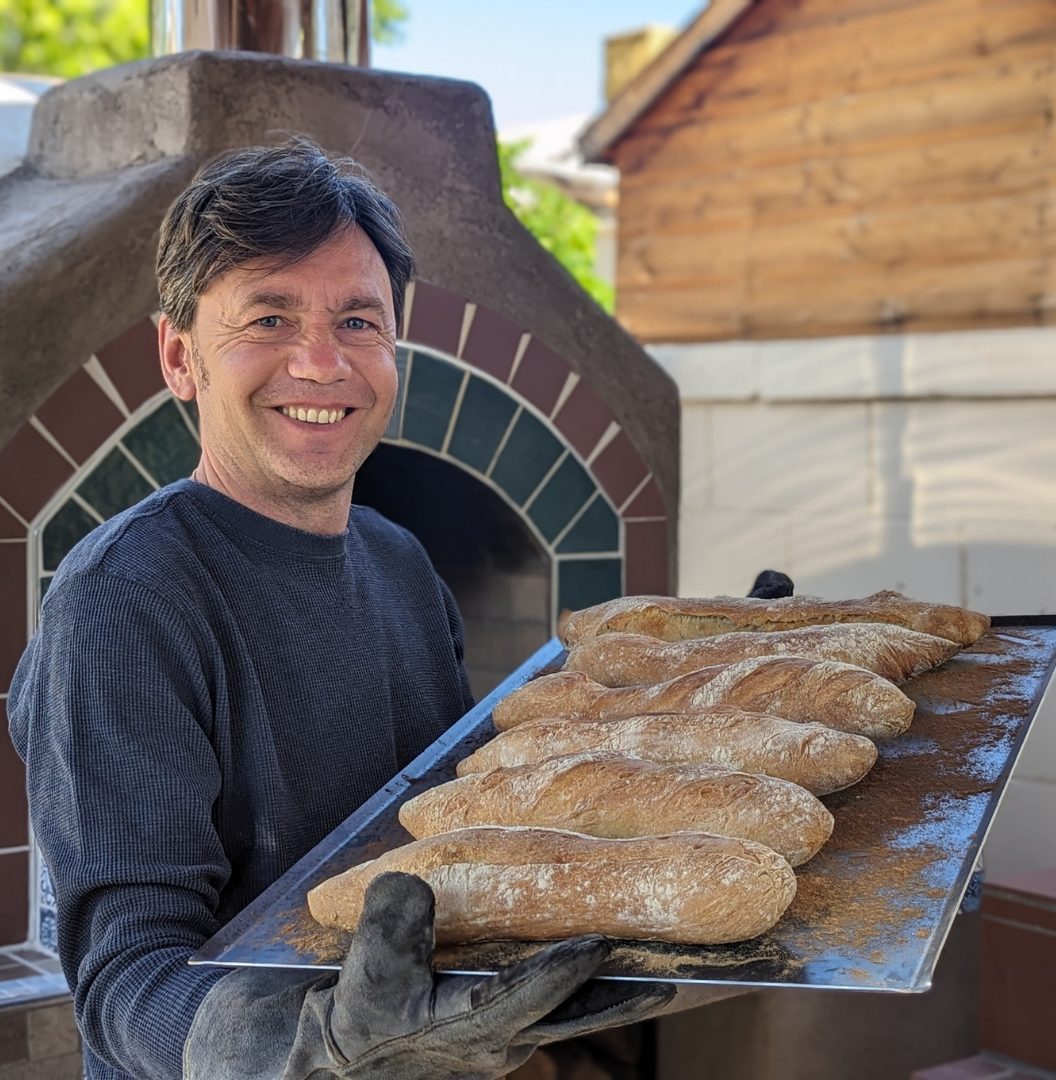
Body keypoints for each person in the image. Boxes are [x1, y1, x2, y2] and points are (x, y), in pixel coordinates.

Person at [7, 142, 674, 1080]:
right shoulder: (125, 598)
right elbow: (125, 984)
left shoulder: (401, 564)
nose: (320, 363)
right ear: (179, 357)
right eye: (269, 315)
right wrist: (317, 1043)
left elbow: (454, 830)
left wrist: (673, 707)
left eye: (358, 320)